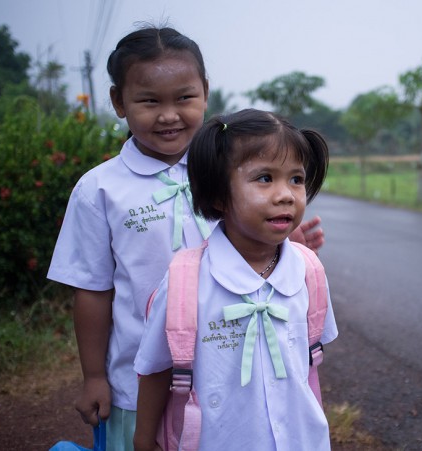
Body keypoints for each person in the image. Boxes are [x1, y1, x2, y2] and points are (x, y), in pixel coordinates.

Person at [47, 26, 324, 449]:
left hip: (230, 376)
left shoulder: (235, 176)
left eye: (184, 97)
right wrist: (95, 377)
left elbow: (255, 253)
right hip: (138, 379)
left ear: (206, 93)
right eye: (149, 100)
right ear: (119, 102)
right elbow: (92, 289)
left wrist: (286, 241)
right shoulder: (99, 189)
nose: (169, 114)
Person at [133, 109, 338, 451]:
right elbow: (155, 370)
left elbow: (308, 364)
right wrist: (142, 442)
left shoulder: (308, 271)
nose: (286, 194)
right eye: (264, 178)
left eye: (296, 179)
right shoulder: (186, 283)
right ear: (217, 195)